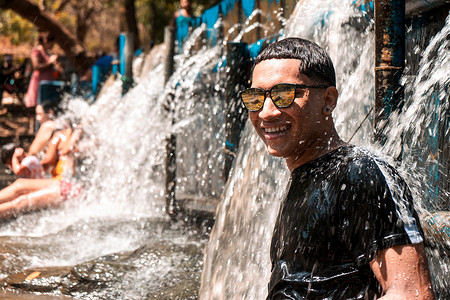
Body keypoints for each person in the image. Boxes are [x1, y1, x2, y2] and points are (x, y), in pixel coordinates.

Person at [240, 38, 434, 299]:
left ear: (328, 99)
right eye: (255, 98)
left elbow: (411, 293)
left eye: (283, 95)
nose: (266, 112)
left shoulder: (360, 173)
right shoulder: (303, 175)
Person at [25, 32, 61, 108]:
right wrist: (50, 62)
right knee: (39, 106)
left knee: (47, 107)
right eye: (52, 43)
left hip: (48, 84)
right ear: (46, 41)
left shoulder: (47, 53)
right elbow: (36, 66)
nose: (53, 45)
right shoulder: (37, 50)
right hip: (40, 83)